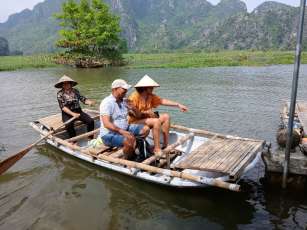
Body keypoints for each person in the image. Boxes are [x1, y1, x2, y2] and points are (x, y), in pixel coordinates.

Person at [128, 74, 188, 156]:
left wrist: (178, 105)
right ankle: (157, 148)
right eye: (151, 87)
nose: (153, 89)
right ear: (145, 88)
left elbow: (162, 101)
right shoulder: (134, 97)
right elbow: (130, 113)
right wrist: (145, 113)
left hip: (147, 119)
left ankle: (166, 145)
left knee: (166, 116)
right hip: (134, 121)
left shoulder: (150, 96)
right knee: (156, 121)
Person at [99, 79, 150, 159]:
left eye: (126, 89)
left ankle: (133, 147)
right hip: (109, 134)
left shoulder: (124, 101)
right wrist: (123, 132)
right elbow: (106, 124)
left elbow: (139, 116)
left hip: (125, 128)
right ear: (115, 89)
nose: (126, 91)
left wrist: (133, 108)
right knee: (129, 140)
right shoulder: (107, 102)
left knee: (146, 129)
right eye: (124, 89)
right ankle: (127, 159)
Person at [55, 75, 96, 139]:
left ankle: (90, 138)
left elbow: (82, 99)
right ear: (62, 85)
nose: (66, 85)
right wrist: (73, 114)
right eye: (64, 83)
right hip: (67, 113)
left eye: (68, 83)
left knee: (90, 121)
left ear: (71, 84)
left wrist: (89, 102)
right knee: (68, 125)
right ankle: (74, 140)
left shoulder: (75, 91)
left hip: (78, 111)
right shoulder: (60, 94)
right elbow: (62, 107)